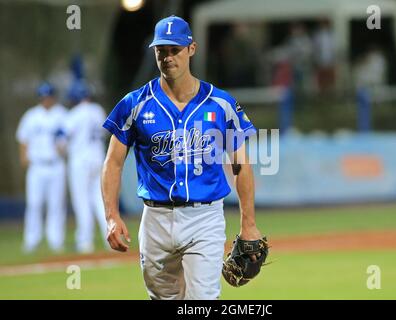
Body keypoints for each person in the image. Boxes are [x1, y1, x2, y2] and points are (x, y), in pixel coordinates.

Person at [101, 15, 263, 300]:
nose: (167, 57)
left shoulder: (220, 103)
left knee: (202, 299)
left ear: (192, 49)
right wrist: (112, 216)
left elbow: (241, 165)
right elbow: (113, 162)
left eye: (174, 49)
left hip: (204, 217)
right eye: (161, 50)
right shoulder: (135, 103)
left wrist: (248, 223)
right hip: (155, 219)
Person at [16, 82, 67, 253]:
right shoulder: (31, 116)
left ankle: (56, 241)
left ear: (53, 97)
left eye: (49, 96)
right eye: (43, 97)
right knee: (34, 203)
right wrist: (24, 157)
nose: (46, 100)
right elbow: (23, 138)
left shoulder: (62, 114)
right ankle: (31, 240)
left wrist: (64, 149)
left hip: (56, 164)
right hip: (37, 166)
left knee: (56, 204)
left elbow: (67, 140)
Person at [65, 81, 109, 253]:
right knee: (100, 200)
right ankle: (109, 238)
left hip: (80, 161)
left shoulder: (74, 114)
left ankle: (85, 241)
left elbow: (62, 140)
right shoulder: (98, 110)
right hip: (98, 159)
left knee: (81, 201)